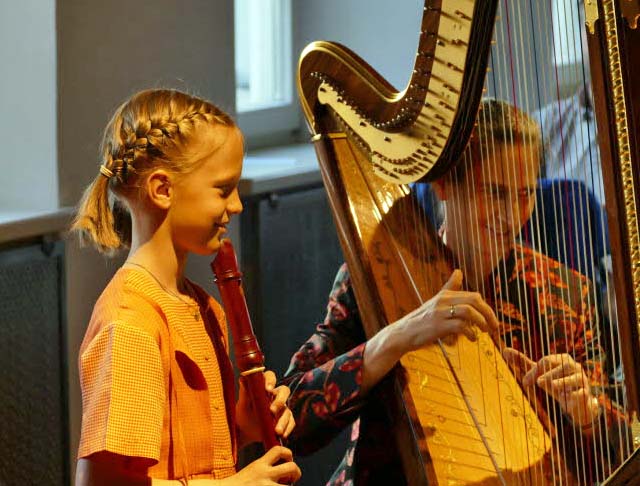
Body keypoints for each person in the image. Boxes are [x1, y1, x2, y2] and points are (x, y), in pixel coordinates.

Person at [282, 99, 628, 485]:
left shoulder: (565, 295)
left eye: (525, 194)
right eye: (495, 193)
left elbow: (620, 454)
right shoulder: (379, 279)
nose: (512, 215)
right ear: (444, 185)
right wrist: (394, 338)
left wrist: (587, 412)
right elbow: (291, 418)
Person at [71, 89, 302, 485]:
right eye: (223, 189)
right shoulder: (131, 324)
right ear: (162, 190)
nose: (237, 206)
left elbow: (194, 462)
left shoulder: (200, 306)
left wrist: (243, 427)